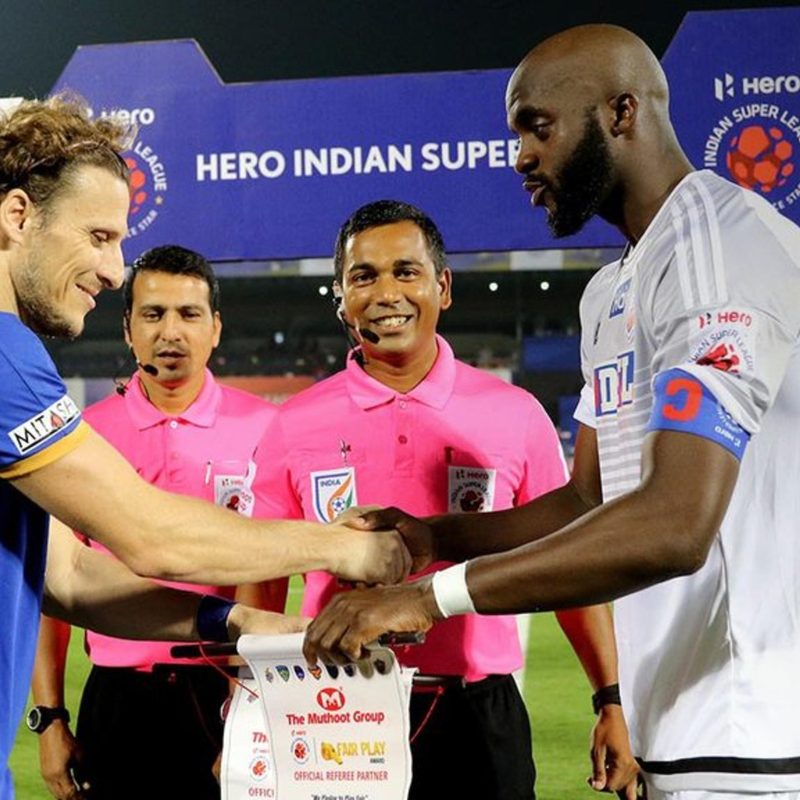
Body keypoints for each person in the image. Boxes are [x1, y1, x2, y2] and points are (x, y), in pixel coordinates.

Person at [303, 24, 800, 800]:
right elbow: (585, 501)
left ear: (621, 113)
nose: (521, 157)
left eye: (538, 127)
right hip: (679, 727)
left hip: (756, 741)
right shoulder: (612, 291)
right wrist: (436, 536)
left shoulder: (717, 256)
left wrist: (426, 596)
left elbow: (676, 524)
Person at [0, 97, 409, 799]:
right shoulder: (6, 357)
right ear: (17, 215)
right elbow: (150, 535)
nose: (114, 269)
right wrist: (344, 549)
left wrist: (233, 617)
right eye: (98, 236)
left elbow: (70, 575)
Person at [254, 199, 635, 799]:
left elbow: (569, 561)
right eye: (364, 276)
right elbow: (263, 576)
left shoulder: (516, 414)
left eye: (406, 271)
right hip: (336, 708)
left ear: (443, 287)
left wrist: (610, 699)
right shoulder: (292, 423)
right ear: (342, 298)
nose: (386, 293)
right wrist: (246, 709)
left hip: (477, 714)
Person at [31, 244, 286, 800]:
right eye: (153, 314)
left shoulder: (268, 428)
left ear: (215, 328)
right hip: (120, 700)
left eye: (189, 314)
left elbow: (268, 577)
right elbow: (53, 589)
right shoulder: (83, 437)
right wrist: (49, 719)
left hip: (226, 687)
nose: (171, 332)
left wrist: (250, 707)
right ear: (128, 329)